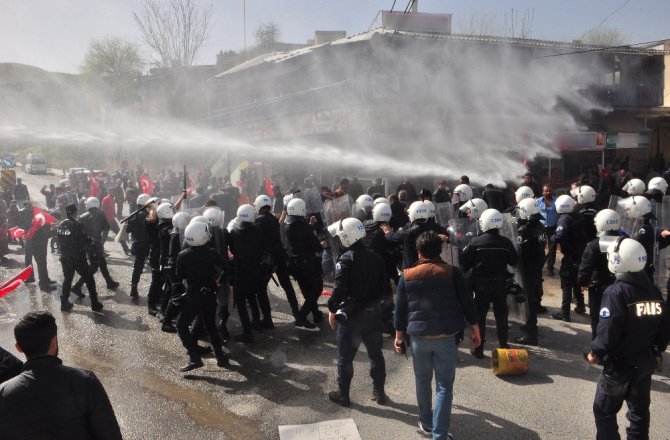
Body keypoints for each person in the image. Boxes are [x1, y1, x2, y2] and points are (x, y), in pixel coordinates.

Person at [394, 231, 480, 439]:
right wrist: (476, 329)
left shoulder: (406, 275)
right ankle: (440, 434)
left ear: (419, 252)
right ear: (439, 250)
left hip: (419, 338)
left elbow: (400, 309)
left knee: (422, 381)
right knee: (444, 386)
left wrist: (398, 336)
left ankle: (426, 423)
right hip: (446, 336)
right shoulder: (452, 272)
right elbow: (467, 302)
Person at [587, 238, 670, 440]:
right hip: (644, 363)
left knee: (604, 411)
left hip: (619, 365)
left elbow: (608, 330)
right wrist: (658, 350)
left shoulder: (616, 292)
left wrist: (596, 352)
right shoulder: (654, 291)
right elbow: (664, 327)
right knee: (639, 415)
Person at [0, 312, 122, 439]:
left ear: (18, 348)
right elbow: (110, 434)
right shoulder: (85, 381)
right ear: (54, 341)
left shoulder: (4, 393)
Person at [327, 217, 390, 407]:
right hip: (373, 314)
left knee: (345, 358)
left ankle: (343, 394)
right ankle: (379, 392)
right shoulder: (377, 257)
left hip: (352, 317)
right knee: (375, 354)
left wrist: (332, 308)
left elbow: (338, 290)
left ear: (346, 238)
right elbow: (385, 289)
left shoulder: (345, 259)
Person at [461, 208, 519, 358]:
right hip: (500, 284)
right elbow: (514, 261)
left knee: (480, 317)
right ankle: (503, 346)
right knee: (501, 316)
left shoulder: (476, 242)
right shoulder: (506, 242)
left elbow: (464, 262)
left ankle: (479, 349)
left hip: (481, 286)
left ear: (483, 223)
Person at [174, 222, 229, 372]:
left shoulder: (183, 255)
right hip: (210, 293)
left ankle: (194, 358)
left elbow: (179, 277)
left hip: (193, 295)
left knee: (181, 325)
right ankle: (220, 357)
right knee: (211, 325)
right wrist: (218, 282)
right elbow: (227, 268)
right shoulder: (212, 253)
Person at [578, 209, 621, 339]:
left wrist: (583, 282)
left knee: (598, 318)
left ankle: (598, 349)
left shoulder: (594, 245)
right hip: (620, 286)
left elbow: (585, 268)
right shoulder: (625, 241)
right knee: (618, 316)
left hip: (599, 288)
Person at [57, 204, 103, 312]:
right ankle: (95, 303)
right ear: (75, 212)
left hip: (65, 257)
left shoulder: (61, 225)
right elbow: (82, 240)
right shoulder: (77, 224)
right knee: (89, 280)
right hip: (77, 257)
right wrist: (90, 241)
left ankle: (64, 303)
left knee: (67, 280)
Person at [71, 197, 119, 297]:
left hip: (87, 245)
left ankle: (109, 282)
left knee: (102, 263)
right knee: (93, 267)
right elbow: (106, 230)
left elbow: (78, 233)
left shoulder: (82, 217)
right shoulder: (101, 214)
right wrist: (101, 243)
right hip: (96, 244)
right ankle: (77, 286)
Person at [552, 195, 588, 322]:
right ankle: (581, 305)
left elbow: (559, 236)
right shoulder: (578, 215)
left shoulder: (564, 219)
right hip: (580, 254)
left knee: (566, 283)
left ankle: (565, 312)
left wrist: (553, 238)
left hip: (570, 256)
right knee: (575, 280)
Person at [514, 198, 546, 346]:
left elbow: (518, 252)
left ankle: (531, 334)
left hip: (527, 270)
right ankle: (530, 327)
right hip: (537, 268)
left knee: (529, 302)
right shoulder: (539, 225)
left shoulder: (524, 230)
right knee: (532, 299)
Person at [536, 185, 558, 278]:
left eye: (550, 191)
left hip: (553, 228)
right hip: (542, 229)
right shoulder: (537, 201)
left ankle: (550, 268)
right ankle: (539, 266)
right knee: (540, 248)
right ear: (543, 192)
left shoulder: (557, 201)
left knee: (552, 249)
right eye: (546, 191)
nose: (548, 193)